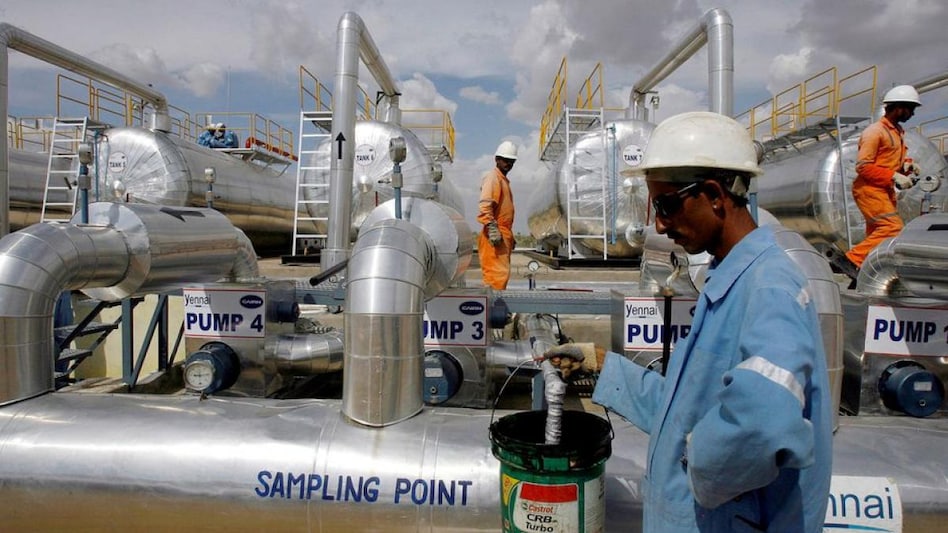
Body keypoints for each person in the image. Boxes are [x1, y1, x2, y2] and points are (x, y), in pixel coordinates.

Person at [543, 112, 833, 532]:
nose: (659, 223)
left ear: (713, 194)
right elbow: (685, 409)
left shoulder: (769, 287)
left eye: (666, 204)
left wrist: (695, 462)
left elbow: (764, 419)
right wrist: (603, 364)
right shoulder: (729, 279)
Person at [837, 84, 922, 279]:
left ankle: (866, 269)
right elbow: (863, 167)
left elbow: (887, 160)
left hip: (883, 190)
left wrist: (907, 165)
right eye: (910, 108)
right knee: (892, 227)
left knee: (877, 232)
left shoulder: (897, 132)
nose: (912, 114)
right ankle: (851, 261)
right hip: (869, 189)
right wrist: (894, 176)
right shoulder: (874, 132)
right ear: (898, 107)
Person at [476, 140, 517, 290]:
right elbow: (486, 204)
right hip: (495, 234)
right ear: (497, 159)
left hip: (502, 233)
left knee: (501, 275)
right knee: (496, 276)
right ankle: (493, 304)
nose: (508, 163)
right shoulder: (493, 178)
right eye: (505, 160)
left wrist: (509, 236)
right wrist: (492, 227)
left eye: (511, 161)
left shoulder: (502, 180)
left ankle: (496, 303)